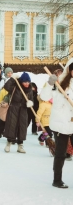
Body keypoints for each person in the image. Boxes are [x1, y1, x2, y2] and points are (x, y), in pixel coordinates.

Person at [40, 58, 73, 188]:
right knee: (60, 154)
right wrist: (49, 84)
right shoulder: (59, 84)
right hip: (60, 124)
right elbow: (43, 97)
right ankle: (57, 180)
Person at [3, 72, 33, 154]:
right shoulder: (15, 87)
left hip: (23, 110)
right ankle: (8, 144)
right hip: (14, 108)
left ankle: (20, 146)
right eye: (25, 82)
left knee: (22, 127)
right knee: (11, 126)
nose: (27, 84)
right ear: (21, 82)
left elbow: (31, 99)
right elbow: (6, 86)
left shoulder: (30, 90)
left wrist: (30, 103)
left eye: (28, 82)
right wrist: (12, 79)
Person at [0, 67, 13, 138]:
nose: (10, 74)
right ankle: (0, 131)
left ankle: (6, 132)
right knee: (2, 119)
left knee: (8, 120)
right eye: (8, 73)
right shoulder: (3, 80)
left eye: (11, 73)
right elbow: (0, 90)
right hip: (3, 101)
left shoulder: (13, 80)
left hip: (10, 102)